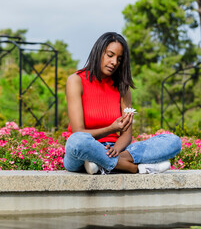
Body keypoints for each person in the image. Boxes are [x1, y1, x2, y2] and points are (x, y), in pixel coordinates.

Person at [64, 32, 181, 174]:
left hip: (115, 149)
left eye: (119, 59)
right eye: (110, 55)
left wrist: (116, 150)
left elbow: (126, 135)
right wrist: (111, 128)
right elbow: (78, 132)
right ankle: (134, 168)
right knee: (77, 141)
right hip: (83, 151)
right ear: (98, 52)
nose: (114, 62)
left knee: (173, 142)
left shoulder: (122, 87)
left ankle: (102, 163)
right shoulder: (76, 80)